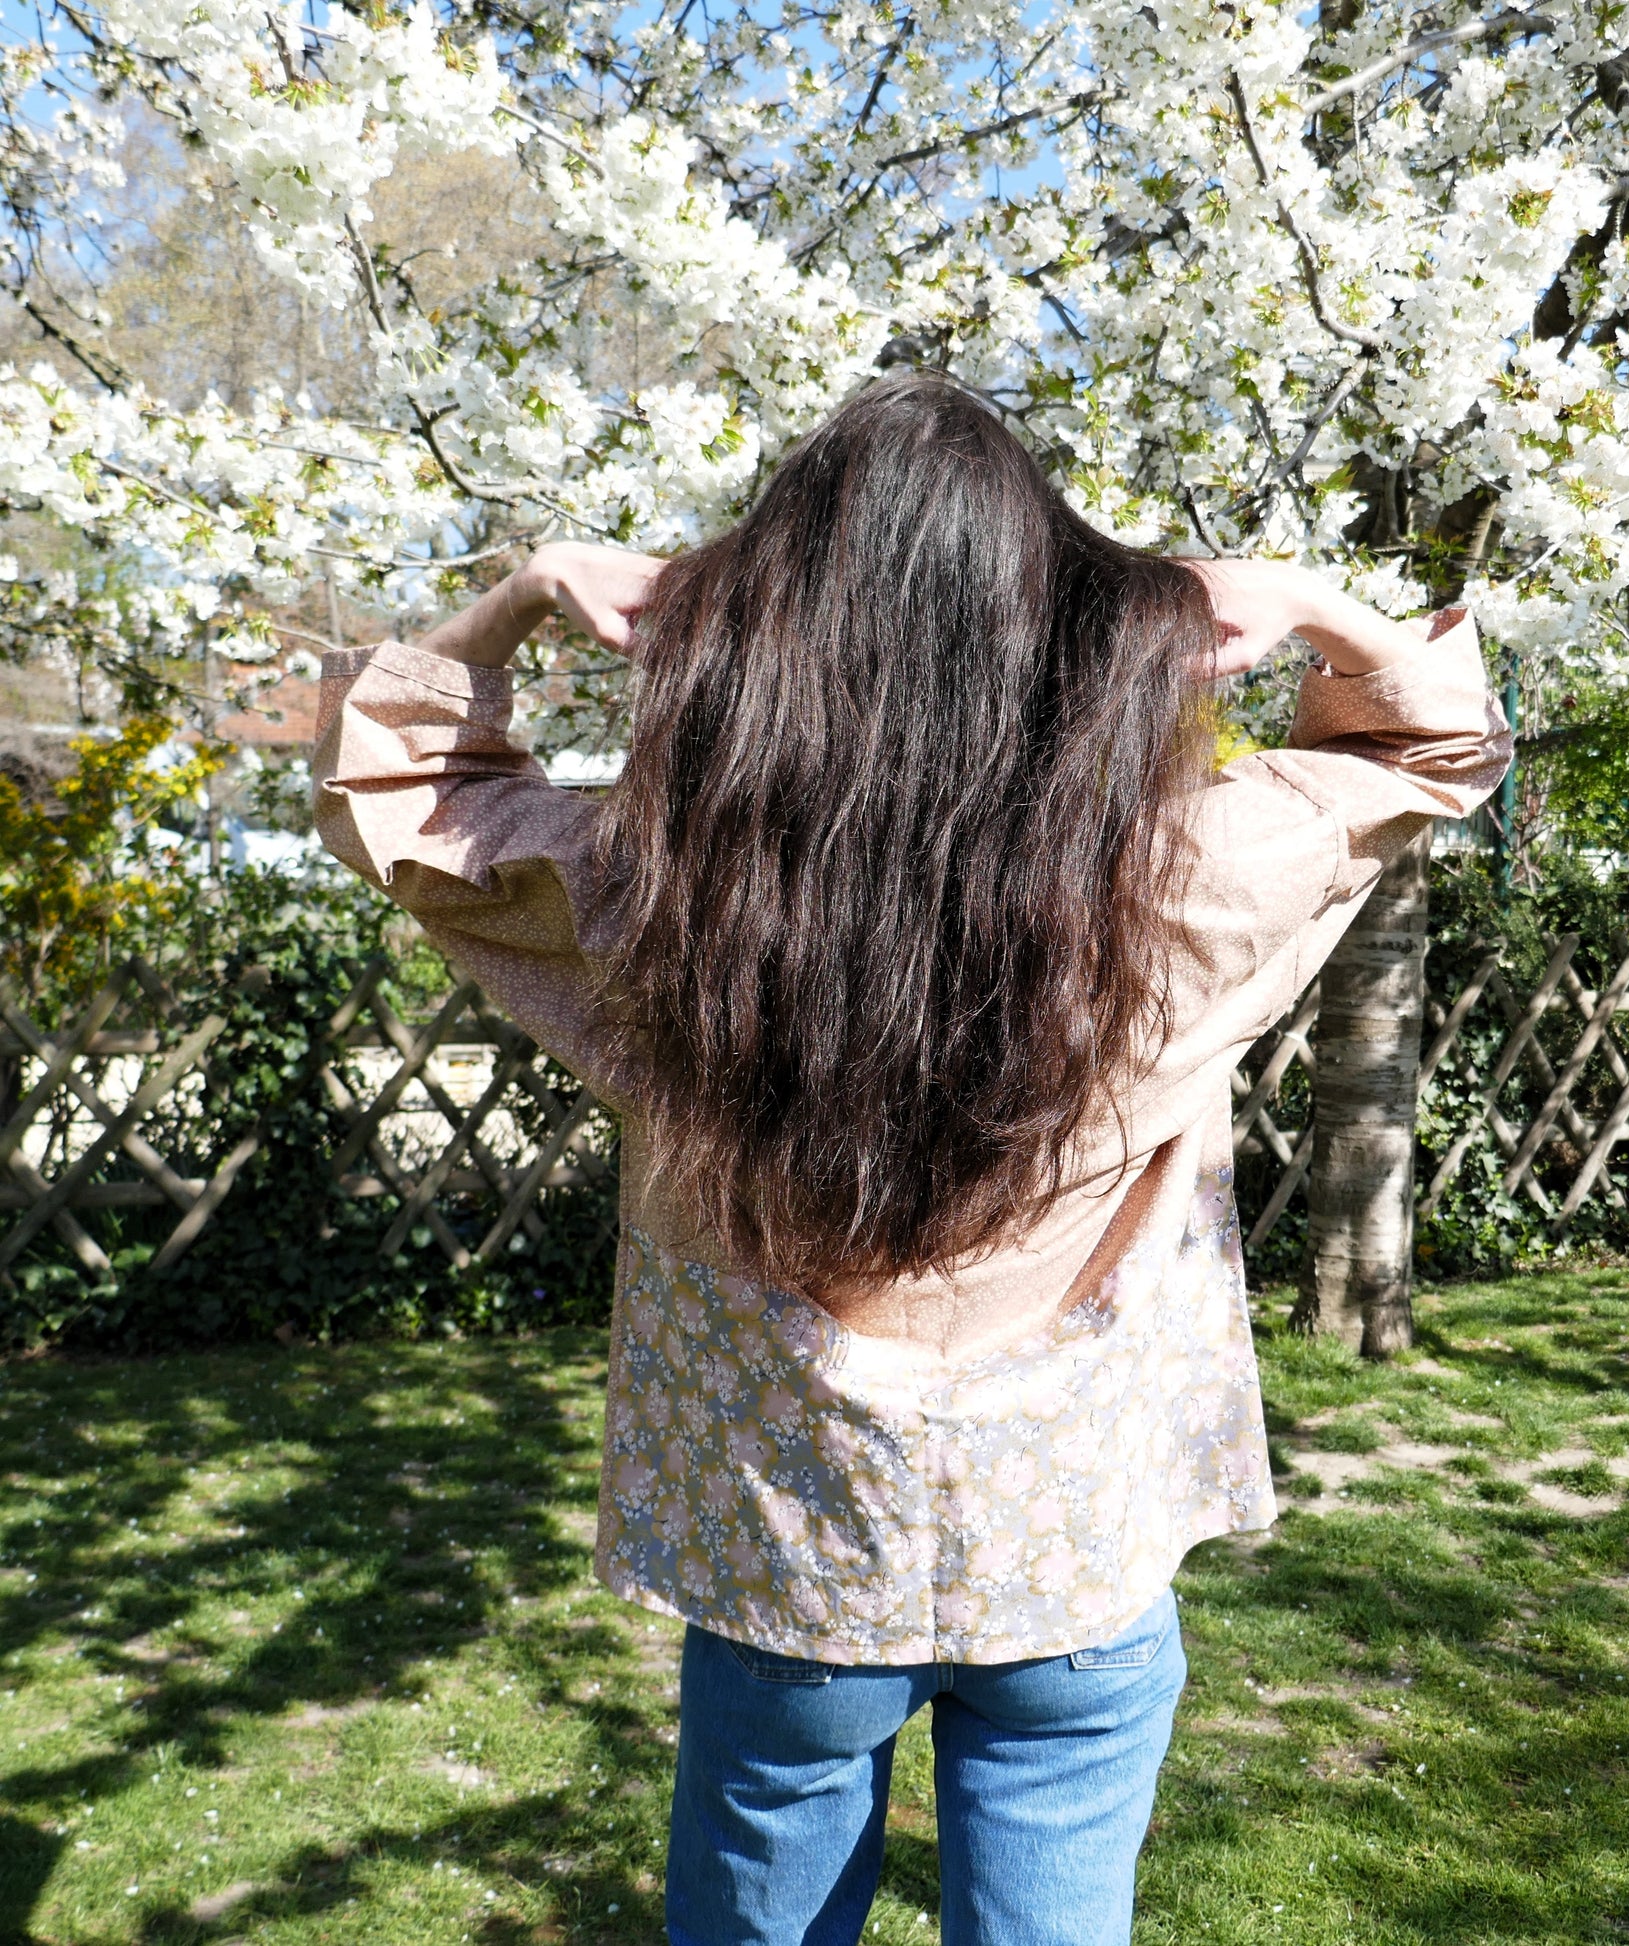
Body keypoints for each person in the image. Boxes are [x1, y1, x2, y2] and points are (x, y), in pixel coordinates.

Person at [313, 372, 1509, 1946]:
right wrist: (1306, 602)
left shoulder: (662, 901)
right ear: (1072, 634)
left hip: (791, 1564)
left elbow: (400, 790)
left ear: (756, 641)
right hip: (1075, 1559)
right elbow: (1433, 748)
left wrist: (526, 594)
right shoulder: (1185, 881)